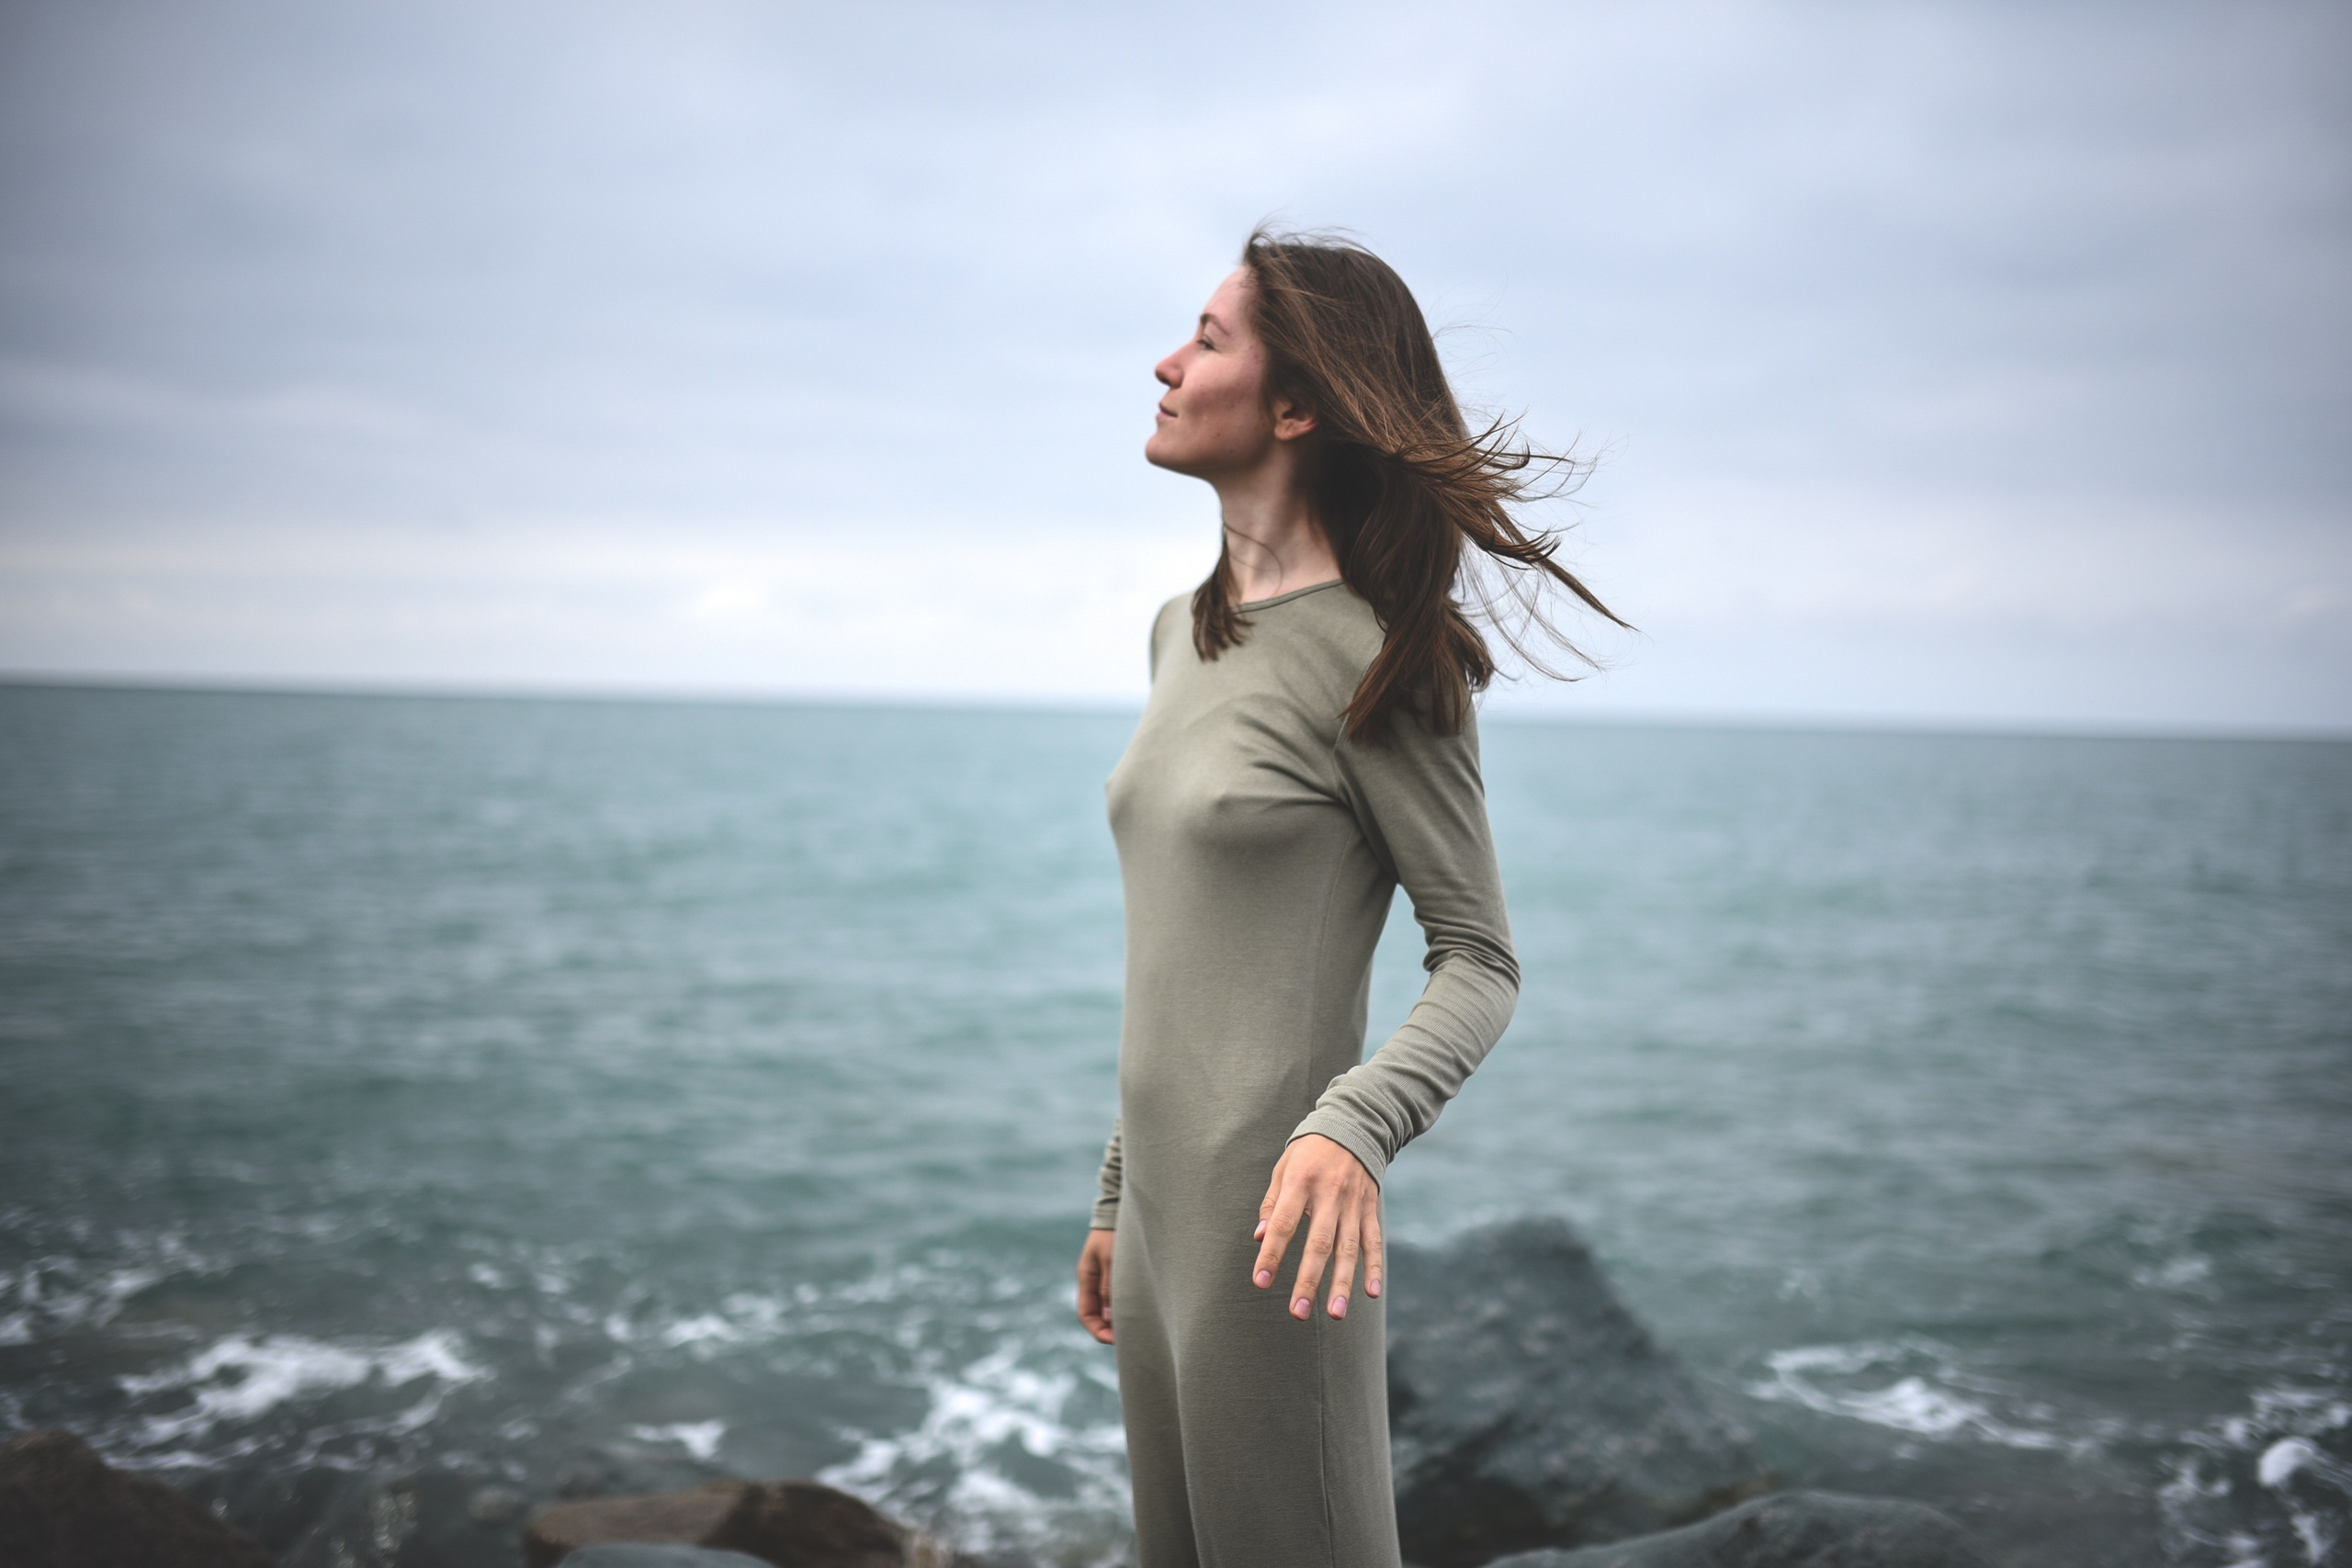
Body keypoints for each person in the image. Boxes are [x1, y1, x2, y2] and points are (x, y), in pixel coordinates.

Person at [1073, 228, 1622, 1568]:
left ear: (1297, 403)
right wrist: (1111, 1197)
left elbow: (1479, 957)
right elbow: (1189, 959)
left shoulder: (1385, 663)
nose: (1165, 362)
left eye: (1206, 340)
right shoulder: (1179, 632)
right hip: (1158, 1226)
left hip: (1280, 1226)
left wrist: (1356, 1128)